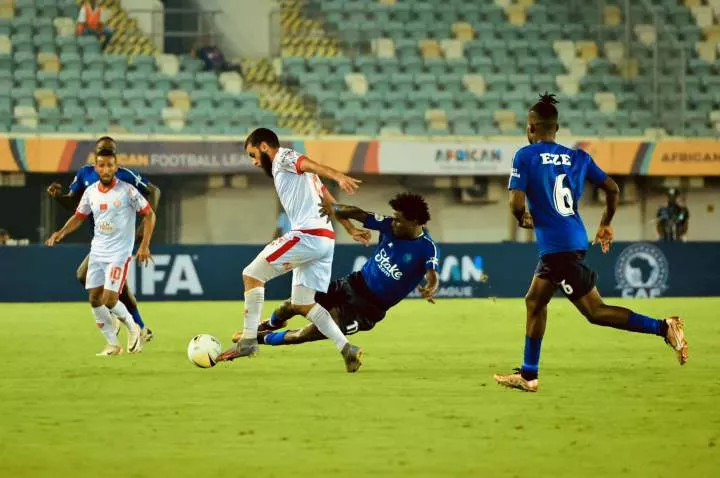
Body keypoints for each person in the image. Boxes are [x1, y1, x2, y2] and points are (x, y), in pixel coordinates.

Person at [494, 93, 688, 393]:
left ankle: (664, 327)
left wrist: (524, 219)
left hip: (558, 247)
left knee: (595, 312)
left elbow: (516, 205)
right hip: (572, 239)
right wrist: (606, 223)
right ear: (555, 129)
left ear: (531, 128)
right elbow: (612, 188)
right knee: (534, 301)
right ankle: (528, 376)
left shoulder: (525, 156)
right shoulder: (578, 157)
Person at [215, 128, 366, 372]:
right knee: (303, 303)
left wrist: (338, 175)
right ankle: (347, 349)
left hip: (308, 235)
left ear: (264, 146)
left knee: (251, 274)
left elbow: (310, 164)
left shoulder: (283, 158)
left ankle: (249, 340)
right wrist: (349, 227)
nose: (254, 162)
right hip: (326, 239)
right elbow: (326, 196)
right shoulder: (298, 175)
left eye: (253, 155)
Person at [241, 193, 440, 348]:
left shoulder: (426, 248)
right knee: (293, 304)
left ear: (415, 222)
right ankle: (270, 324)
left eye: (399, 220)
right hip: (351, 284)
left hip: (368, 309)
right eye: (394, 218)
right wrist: (335, 209)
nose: (393, 222)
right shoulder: (388, 225)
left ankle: (262, 339)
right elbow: (356, 212)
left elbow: (432, 275)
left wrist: (431, 287)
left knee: (310, 333)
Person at [47, 136, 160, 342]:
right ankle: (136, 325)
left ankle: (137, 327)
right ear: (96, 154)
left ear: (116, 157)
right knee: (106, 286)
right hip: (100, 240)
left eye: (110, 151)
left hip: (119, 239)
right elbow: (74, 205)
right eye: (102, 151)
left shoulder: (125, 176)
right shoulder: (85, 174)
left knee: (101, 285)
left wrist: (144, 229)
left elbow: (154, 192)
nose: (106, 164)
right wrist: (58, 197)